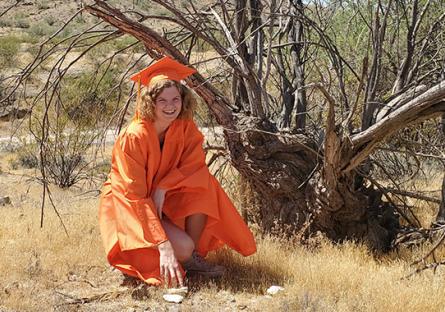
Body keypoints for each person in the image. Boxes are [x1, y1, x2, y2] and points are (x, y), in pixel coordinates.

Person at [98, 56, 256, 287]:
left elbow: (194, 166)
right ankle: (177, 254)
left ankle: (189, 258)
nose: (170, 106)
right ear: (149, 102)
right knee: (176, 248)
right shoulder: (134, 136)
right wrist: (163, 245)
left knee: (204, 184)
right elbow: (134, 195)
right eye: (162, 100)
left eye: (175, 99)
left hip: (163, 198)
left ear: (184, 100)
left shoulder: (184, 127)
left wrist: (162, 188)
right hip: (131, 207)